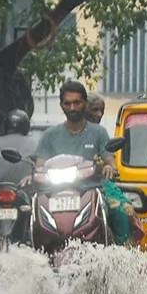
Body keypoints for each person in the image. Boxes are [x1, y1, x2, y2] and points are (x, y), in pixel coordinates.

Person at [35, 80, 138, 244]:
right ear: (61, 105)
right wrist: (34, 173)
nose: (72, 107)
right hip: (54, 191)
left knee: (122, 211)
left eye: (77, 102)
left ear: (84, 103)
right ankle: (27, 248)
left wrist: (109, 168)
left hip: (92, 187)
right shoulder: (50, 135)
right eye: (67, 103)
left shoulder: (98, 132)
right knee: (28, 210)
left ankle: (123, 252)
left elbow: (109, 159)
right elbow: (40, 165)